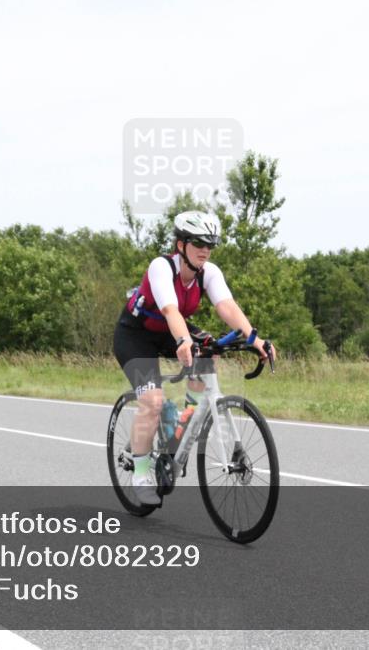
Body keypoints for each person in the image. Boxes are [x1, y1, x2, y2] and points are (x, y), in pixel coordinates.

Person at [113, 211, 275, 505]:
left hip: (172, 331)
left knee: (207, 363)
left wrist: (255, 338)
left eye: (210, 245)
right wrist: (184, 339)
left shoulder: (208, 272)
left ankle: (176, 438)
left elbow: (227, 306)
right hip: (136, 334)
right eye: (198, 243)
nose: (205, 250)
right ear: (180, 245)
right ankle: (140, 472)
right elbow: (170, 311)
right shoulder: (161, 267)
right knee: (152, 401)